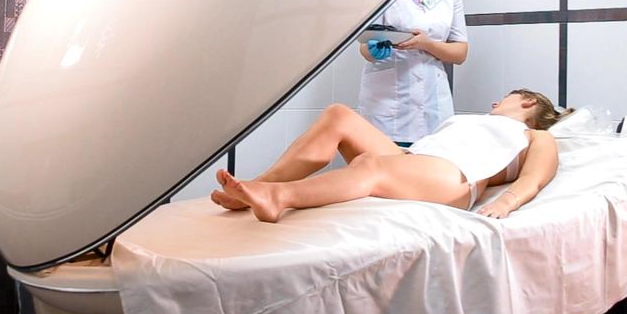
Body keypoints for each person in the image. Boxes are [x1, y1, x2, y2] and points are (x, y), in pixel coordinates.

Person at [211, 89, 566, 223]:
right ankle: (257, 187)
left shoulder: (535, 136)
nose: (494, 101)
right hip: (417, 161)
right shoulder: (477, 120)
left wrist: (505, 204)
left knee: (370, 165)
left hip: (454, 177)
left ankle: (280, 197)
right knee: (338, 115)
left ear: (528, 102)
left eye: (504, 97)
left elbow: (534, 179)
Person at [359, 0, 468, 146]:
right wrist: (373, 50)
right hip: (388, 102)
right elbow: (364, 47)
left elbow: (460, 52)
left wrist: (428, 44)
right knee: (383, 159)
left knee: (431, 157)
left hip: (434, 101)